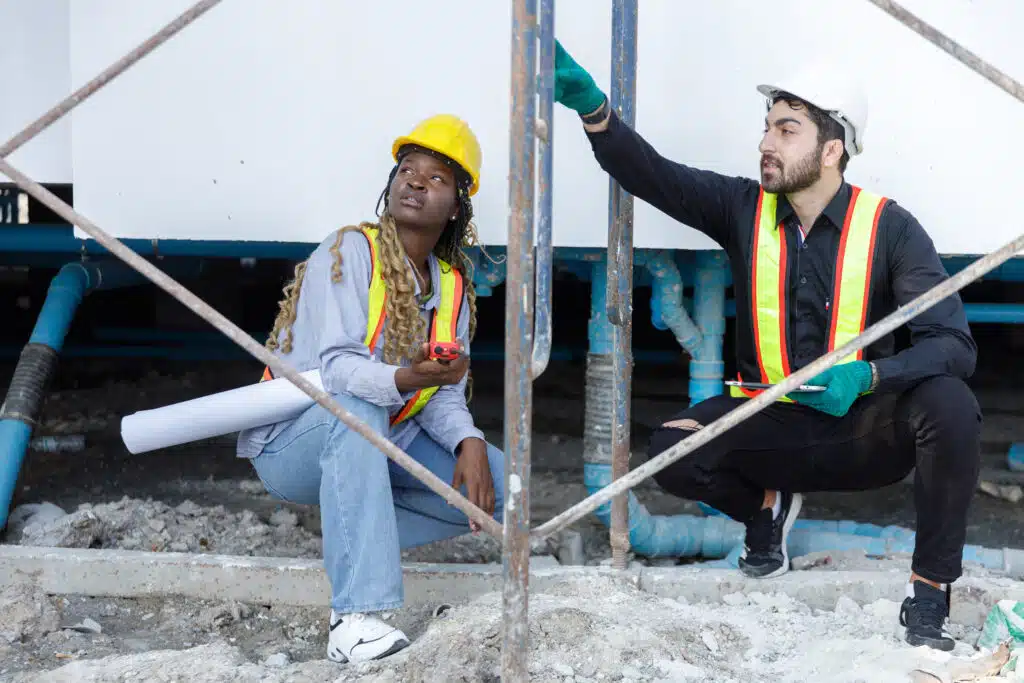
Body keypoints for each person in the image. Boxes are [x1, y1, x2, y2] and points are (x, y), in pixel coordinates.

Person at [551, 41, 980, 651]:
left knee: (950, 405)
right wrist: (594, 110)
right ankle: (764, 512)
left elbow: (954, 346)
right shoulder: (743, 208)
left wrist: (871, 378)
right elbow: (654, 175)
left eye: (787, 129)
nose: (766, 144)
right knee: (670, 450)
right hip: (771, 424)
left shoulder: (891, 229)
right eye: (767, 129)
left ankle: (931, 592)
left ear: (832, 150)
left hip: (862, 433)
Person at [236, 114, 505, 664]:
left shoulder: (451, 287)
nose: (415, 181)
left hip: (380, 438)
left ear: (456, 206)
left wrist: (467, 441)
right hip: (293, 441)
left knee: (506, 488)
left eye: (436, 178)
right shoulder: (346, 253)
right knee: (357, 403)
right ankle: (354, 620)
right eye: (408, 170)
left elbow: (443, 391)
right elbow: (337, 373)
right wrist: (407, 378)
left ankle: (354, 536)